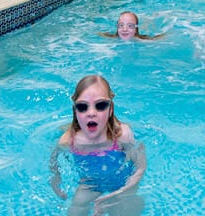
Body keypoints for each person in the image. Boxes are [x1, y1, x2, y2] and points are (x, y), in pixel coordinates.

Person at [50, 75, 146, 216]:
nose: (91, 113)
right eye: (82, 107)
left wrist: (121, 192)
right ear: (75, 111)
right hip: (90, 184)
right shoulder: (69, 140)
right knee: (75, 209)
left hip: (122, 182)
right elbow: (54, 159)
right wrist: (56, 179)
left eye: (100, 105)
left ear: (110, 109)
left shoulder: (122, 135)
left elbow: (140, 167)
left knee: (125, 210)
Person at [99, 11, 164, 41]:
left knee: (147, 26)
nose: (124, 29)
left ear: (135, 29)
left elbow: (160, 38)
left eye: (130, 26)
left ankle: (151, 18)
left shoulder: (143, 41)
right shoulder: (111, 38)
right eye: (121, 25)